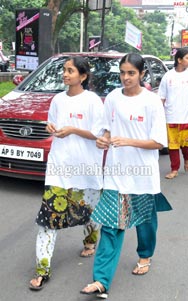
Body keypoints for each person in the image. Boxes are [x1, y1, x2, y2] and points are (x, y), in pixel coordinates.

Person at [80, 53, 172, 299]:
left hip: (142, 175)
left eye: (131, 73)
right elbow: (106, 129)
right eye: (122, 72)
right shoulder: (112, 98)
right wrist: (103, 140)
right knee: (111, 226)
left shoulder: (152, 102)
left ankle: (145, 254)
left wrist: (128, 141)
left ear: (142, 74)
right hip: (115, 174)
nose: (126, 77)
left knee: (145, 223)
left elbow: (159, 142)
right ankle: (101, 280)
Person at [29, 56, 105, 290]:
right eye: (64, 70)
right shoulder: (57, 100)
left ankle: (90, 241)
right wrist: (50, 127)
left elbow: (98, 134)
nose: (65, 74)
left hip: (86, 169)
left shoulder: (92, 101)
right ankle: (42, 270)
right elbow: (51, 125)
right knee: (48, 219)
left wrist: (73, 129)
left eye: (70, 70)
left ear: (82, 76)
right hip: (59, 167)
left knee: (90, 212)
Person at [158, 48, 188, 179]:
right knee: (173, 144)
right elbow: (162, 96)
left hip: (187, 115)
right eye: (187, 58)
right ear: (179, 60)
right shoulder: (168, 76)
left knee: (186, 144)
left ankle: (187, 157)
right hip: (170, 115)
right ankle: (174, 168)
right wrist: (159, 113)